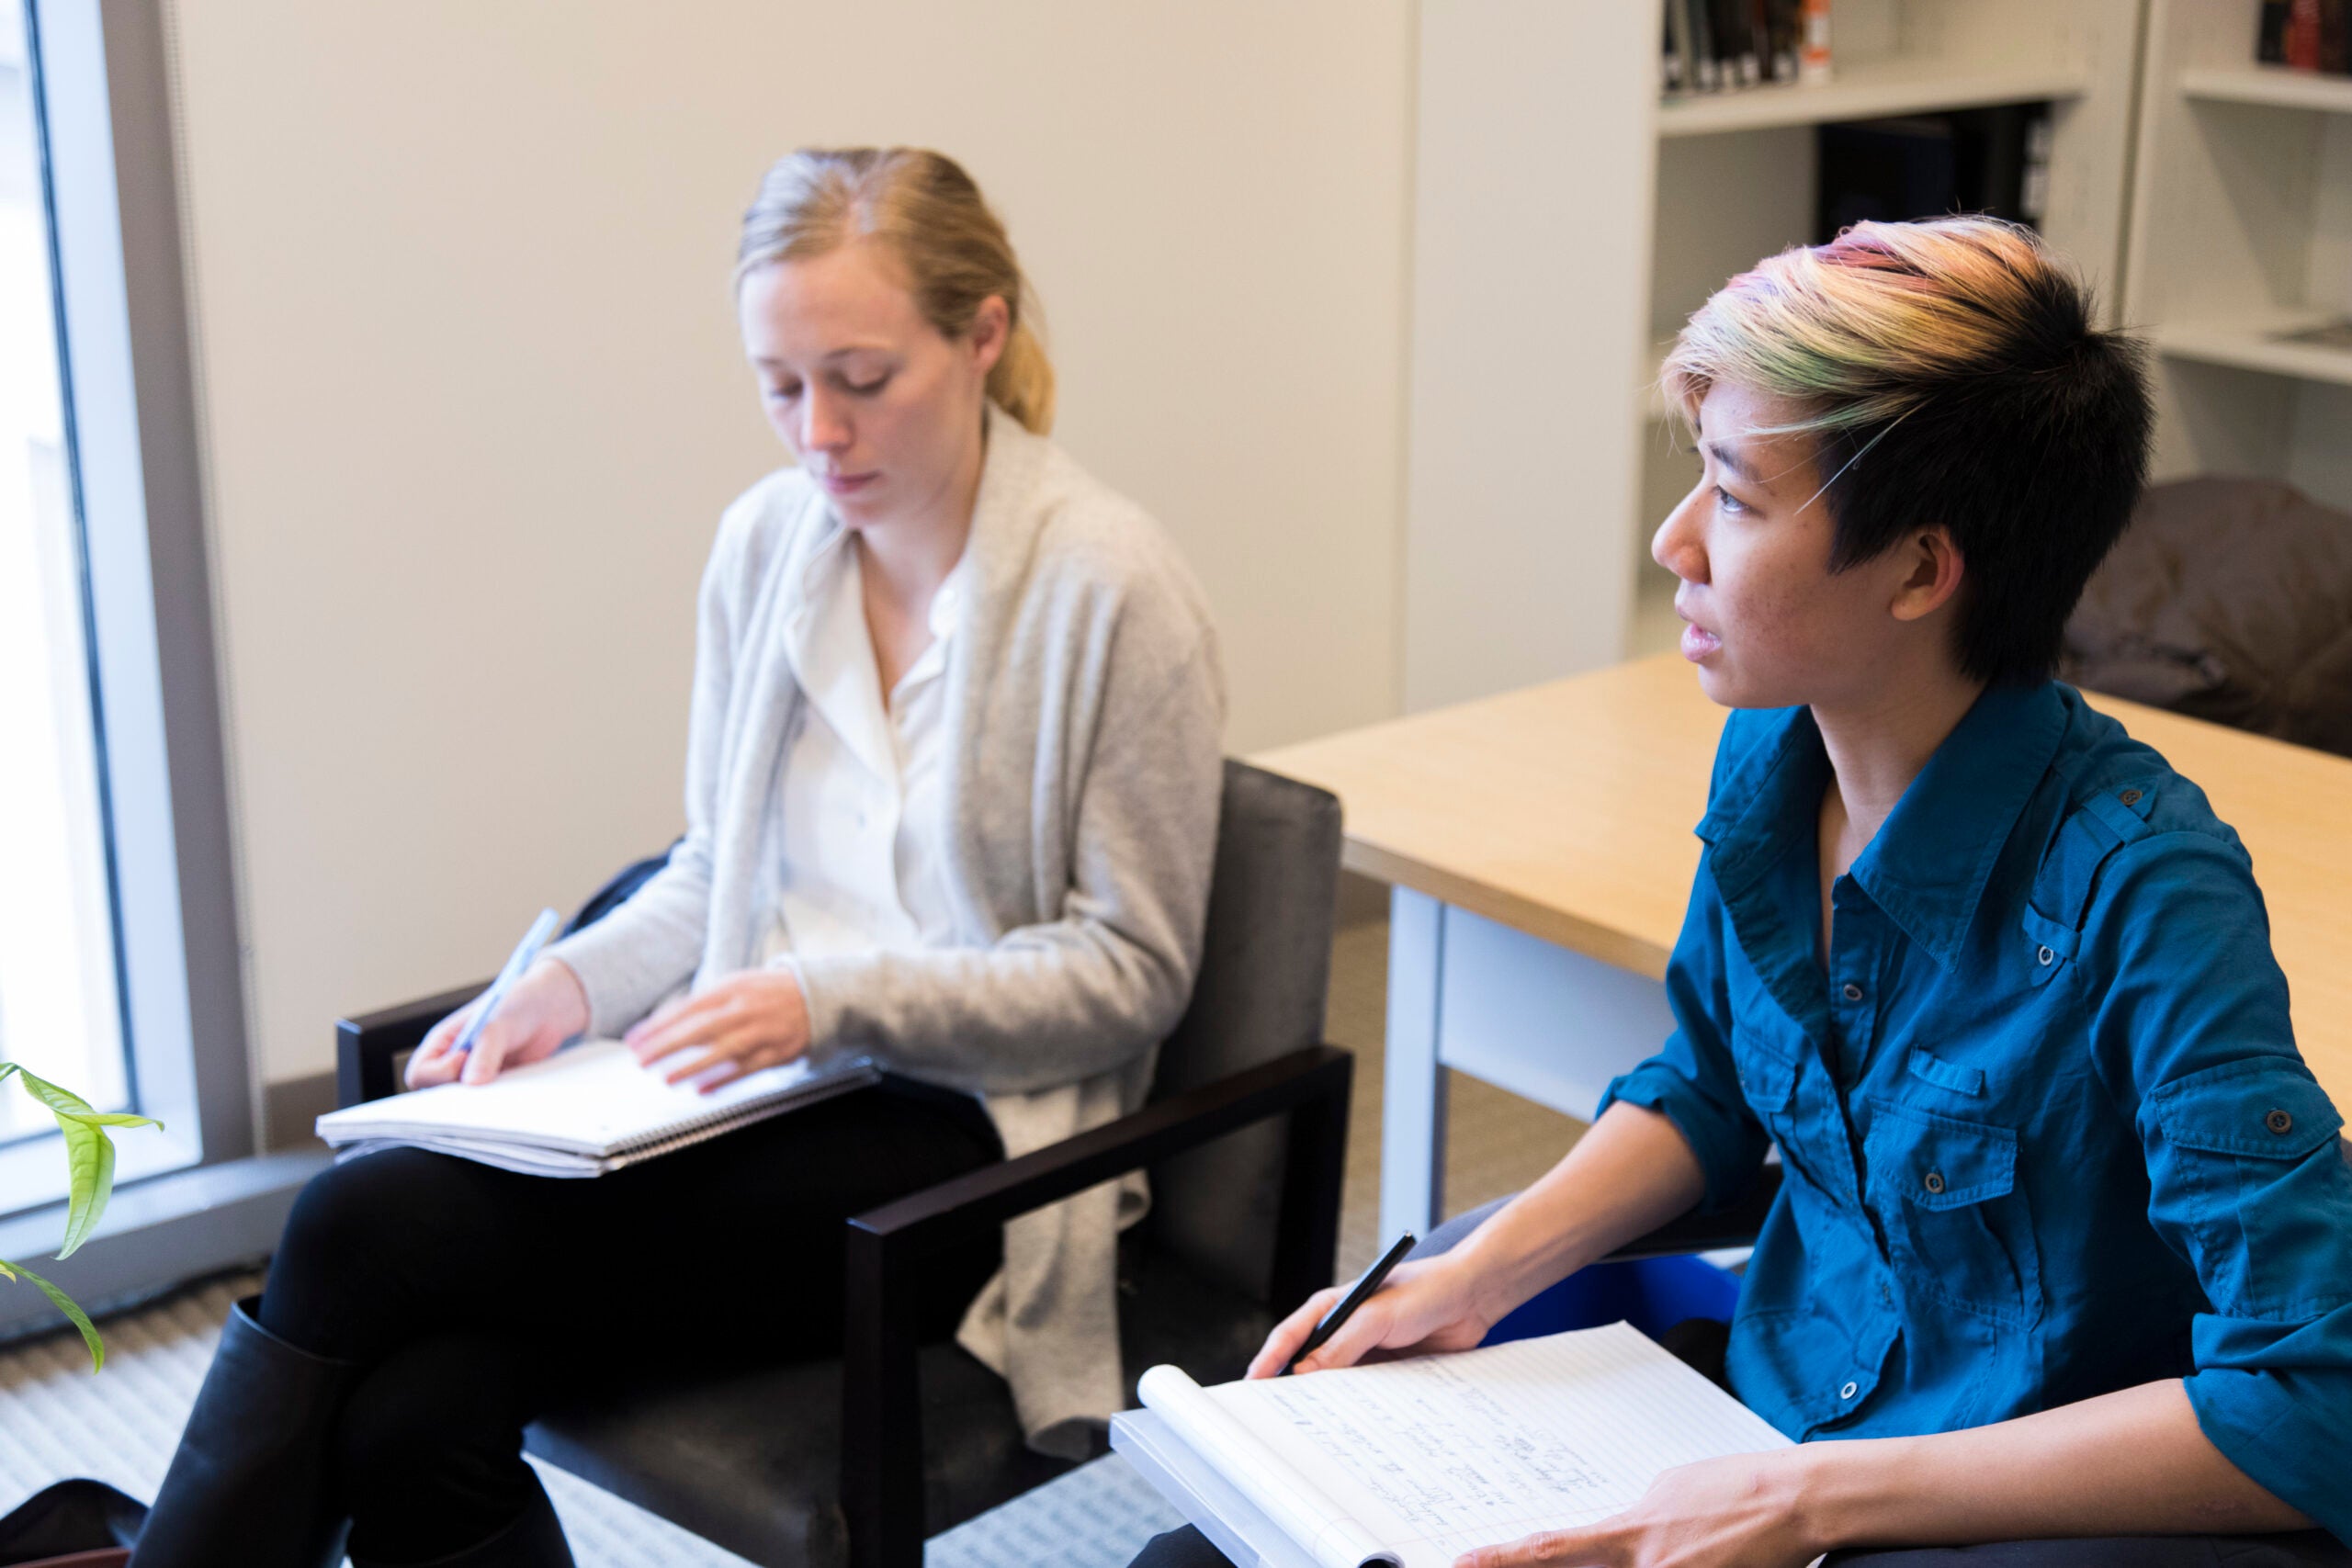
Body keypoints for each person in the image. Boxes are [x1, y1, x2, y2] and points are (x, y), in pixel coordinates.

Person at [1136, 217, 2352, 1568]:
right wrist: (1476, 1276)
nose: (1673, 543)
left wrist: (1803, 1501)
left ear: (1921, 569)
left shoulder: (2148, 897)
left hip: (1987, 1510)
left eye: (1732, 496)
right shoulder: (1781, 753)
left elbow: (2316, 1403)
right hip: (1762, 1421)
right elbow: (1714, 1089)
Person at [127, 147, 1225, 1568]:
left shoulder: (1113, 588)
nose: (818, 432)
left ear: (984, 333)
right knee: (414, 1415)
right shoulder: (769, 545)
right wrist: (570, 990)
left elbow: (1134, 972)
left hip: (959, 1148)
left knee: (352, 1230)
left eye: (862, 377)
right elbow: (717, 868)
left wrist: (831, 1005)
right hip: (747, 1091)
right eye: (780, 385)